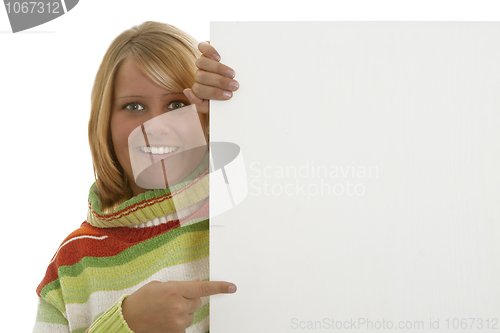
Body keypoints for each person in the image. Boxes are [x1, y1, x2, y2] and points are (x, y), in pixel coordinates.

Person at [32, 21, 239, 333]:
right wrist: (123, 326)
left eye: (177, 104)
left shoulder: (243, 215)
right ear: (105, 123)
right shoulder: (71, 266)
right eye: (134, 106)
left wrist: (248, 91)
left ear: (205, 116)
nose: (155, 125)